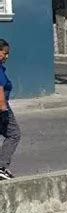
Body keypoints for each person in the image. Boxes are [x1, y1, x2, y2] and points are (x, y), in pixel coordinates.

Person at [0, 39, 21, 180]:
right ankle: (1, 167)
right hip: (1, 107)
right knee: (14, 134)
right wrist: (3, 109)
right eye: (4, 53)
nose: (6, 56)